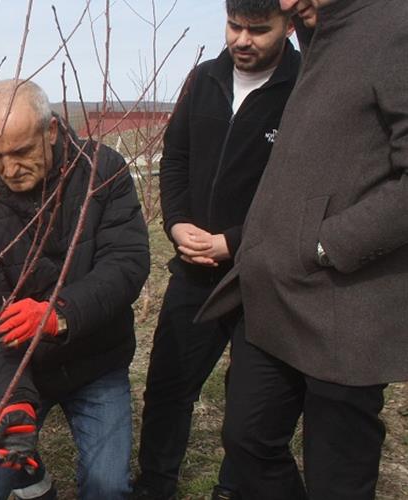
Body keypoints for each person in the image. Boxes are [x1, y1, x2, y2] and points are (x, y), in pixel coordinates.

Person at [198, 0, 408, 498]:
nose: (287, 4)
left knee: (336, 476)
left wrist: (324, 243)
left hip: (345, 304)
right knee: (247, 441)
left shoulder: (396, 26)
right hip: (273, 294)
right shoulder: (320, 30)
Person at [0, 80, 150, 500]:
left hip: (95, 359)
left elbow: (126, 264)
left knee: (108, 486)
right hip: (17, 366)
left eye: (21, 152)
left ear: (52, 130)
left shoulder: (102, 169)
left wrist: (61, 313)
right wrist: (13, 400)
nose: (8, 168)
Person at [132, 1, 300, 498]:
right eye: (234, 26)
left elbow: (301, 192)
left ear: (288, 25)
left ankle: (235, 484)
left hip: (261, 275)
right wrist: (177, 222)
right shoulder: (204, 78)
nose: (243, 40)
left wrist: (236, 241)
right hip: (194, 270)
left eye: (258, 30)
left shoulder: (304, 87)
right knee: (168, 387)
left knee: (250, 400)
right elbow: (176, 158)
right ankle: (155, 485)